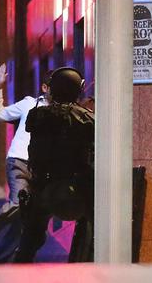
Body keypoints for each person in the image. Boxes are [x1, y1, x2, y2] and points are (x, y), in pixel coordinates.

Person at [0, 64, 50, 263]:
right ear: (45, 87)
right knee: (17, 204)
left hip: (43, 169)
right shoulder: (29, 104)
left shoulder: (66, 112)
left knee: (26, 216)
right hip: (19, 161)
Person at [14, 67, 94, 263]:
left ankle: (18, 269)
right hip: (77, 186)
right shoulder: (86, 118)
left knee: (29, 240)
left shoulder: (38, 115)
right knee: (95, 226)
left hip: (43, 185)